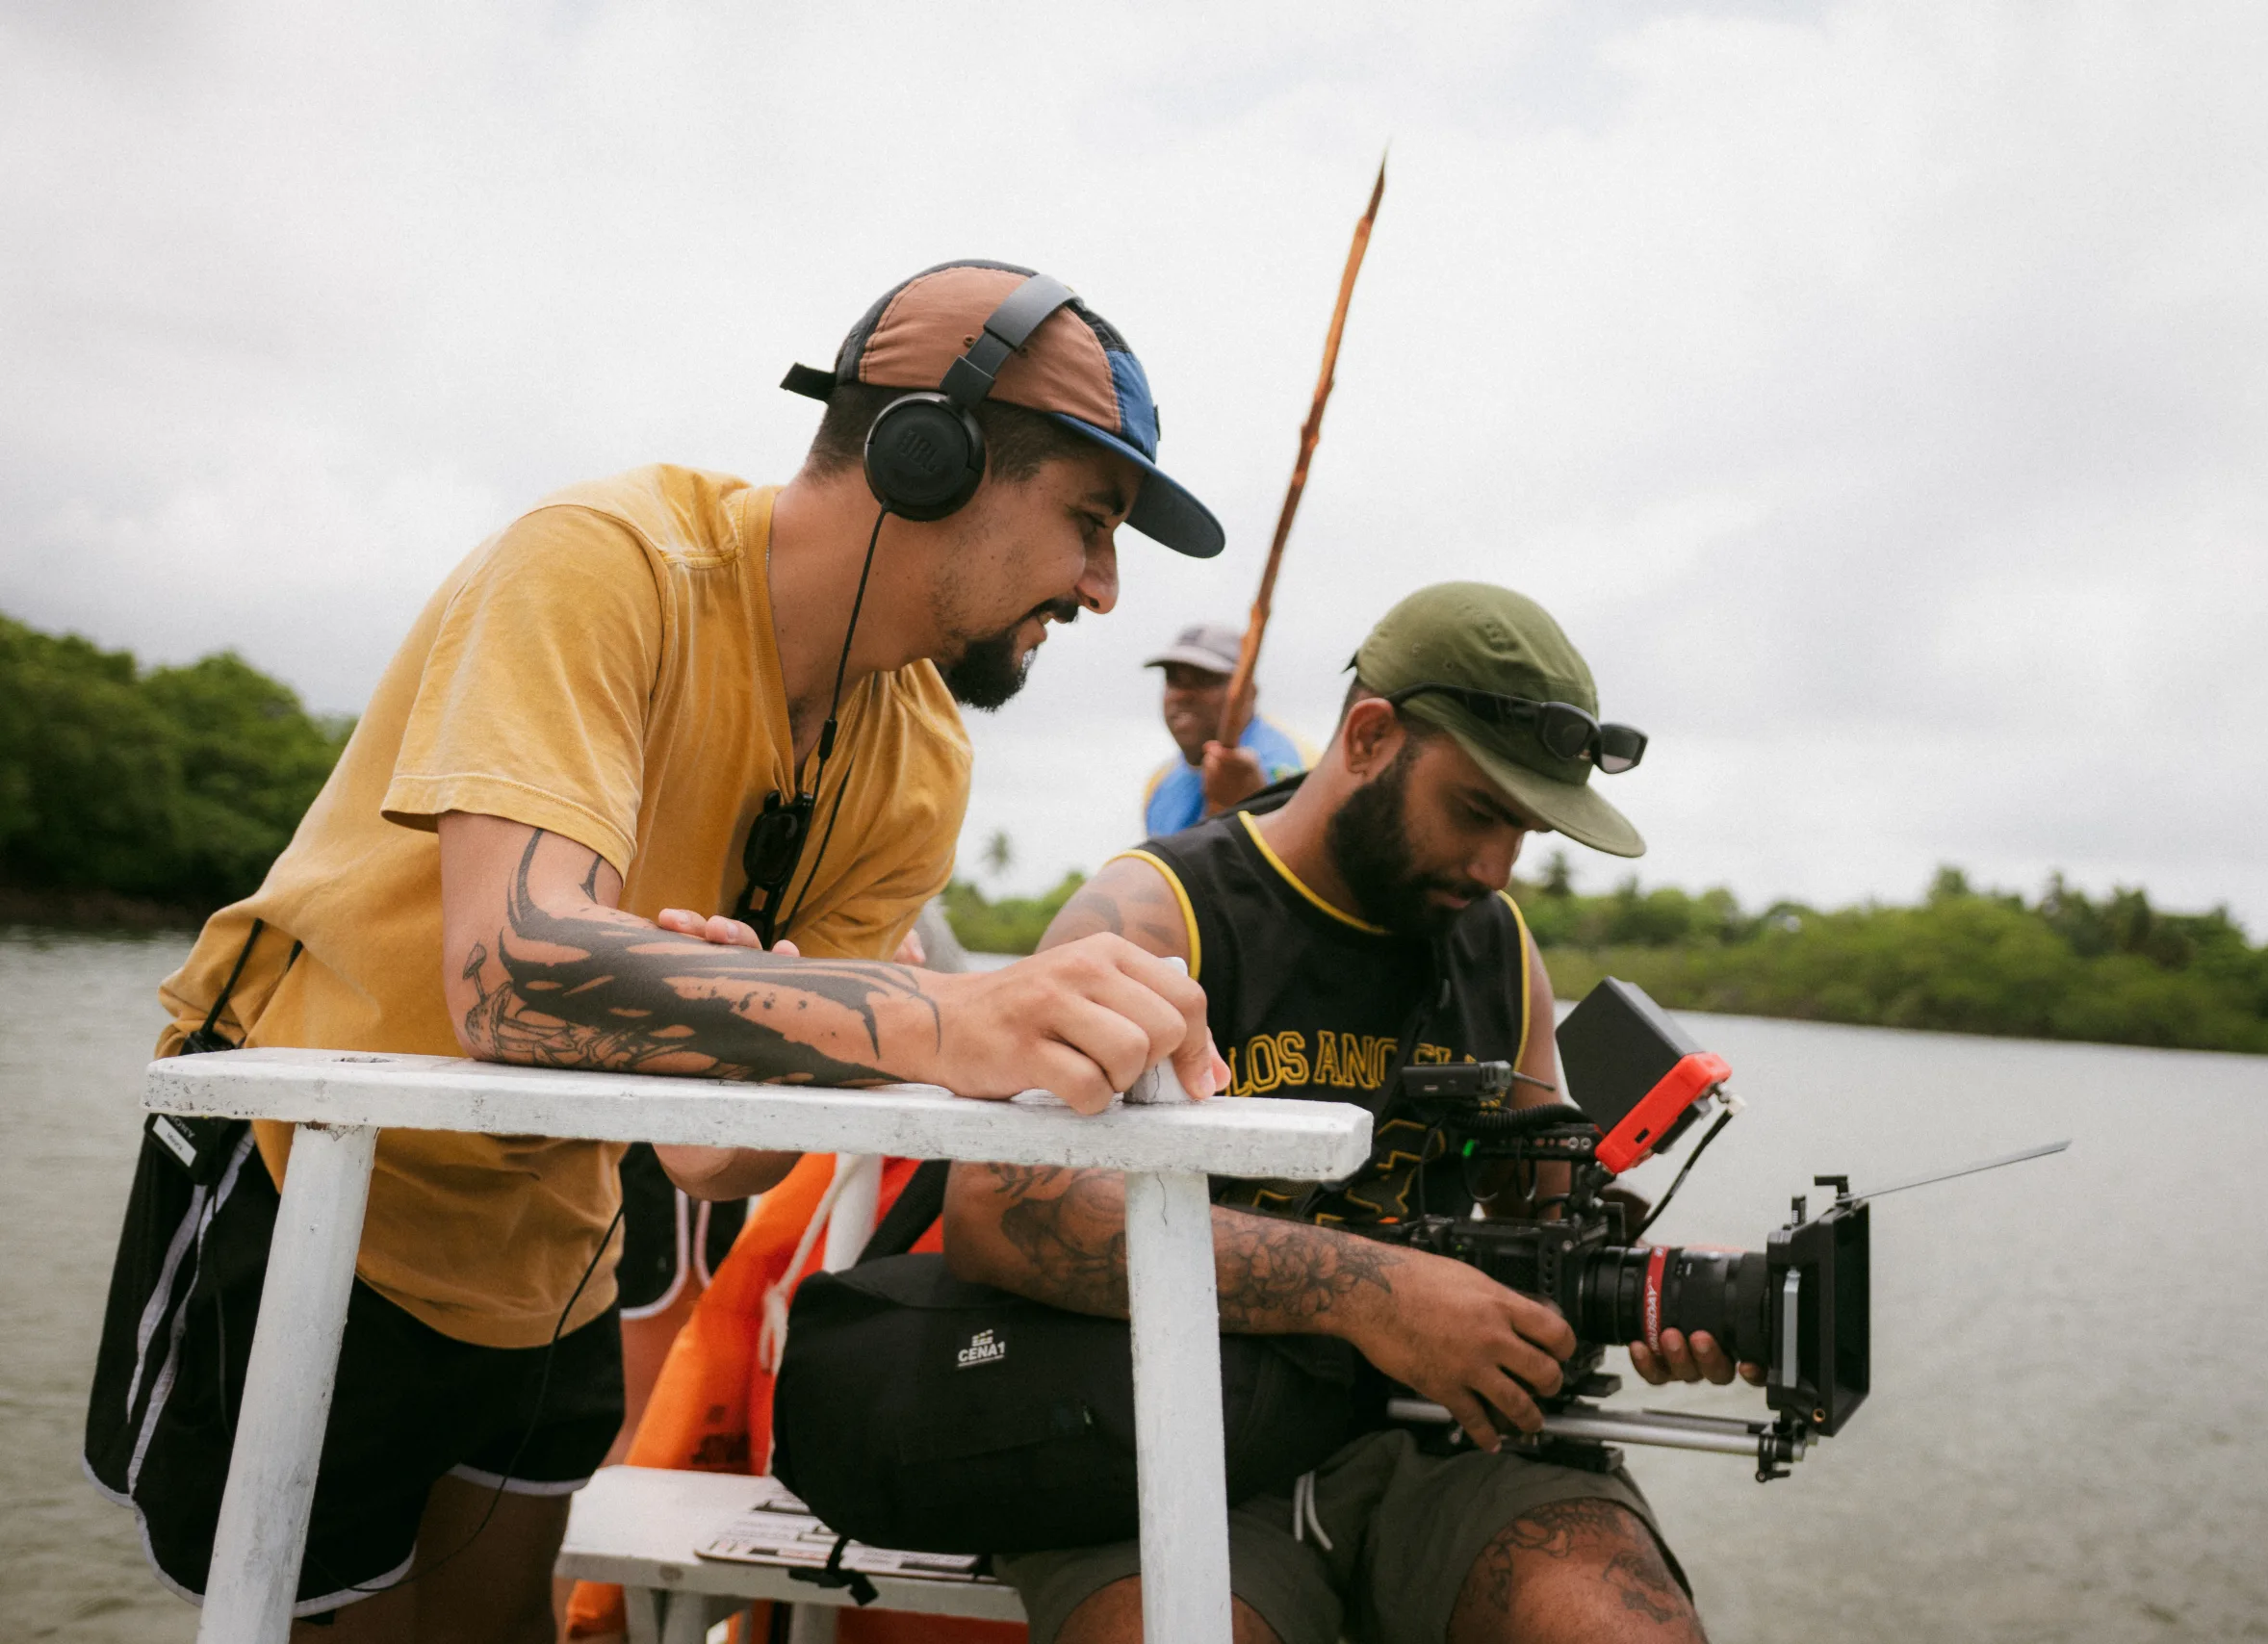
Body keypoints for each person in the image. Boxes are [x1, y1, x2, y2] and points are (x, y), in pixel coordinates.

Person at [83, 260, 1228, 1643]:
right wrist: (944, 1017)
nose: (1104, 589)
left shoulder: (920, 760)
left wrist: (748, 1014)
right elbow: (510, 977)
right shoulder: (601, 563)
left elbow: (715, 1162)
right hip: (306, 1196)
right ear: (929, 458)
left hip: (550, 1242)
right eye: (1090, 520)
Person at [942, 582, 1752, 1644]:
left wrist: (1654, 1293)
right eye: (1475, 810)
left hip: (1446, 1444)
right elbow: (997, 1206)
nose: (1496, 865)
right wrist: (1373, 1294)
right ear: (1369, 736)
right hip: (1168, 1437)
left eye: (1522, 829)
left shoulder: (1498, 948)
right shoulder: (1157, 913)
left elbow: (1542, 1205)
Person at [1138, 623, 1312, 835]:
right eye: (1173, 680)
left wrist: (1258, 806)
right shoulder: (1159, 786)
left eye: (1204, 679)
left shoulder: (1298, 771)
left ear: (1249, 692)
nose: (1183, 695)